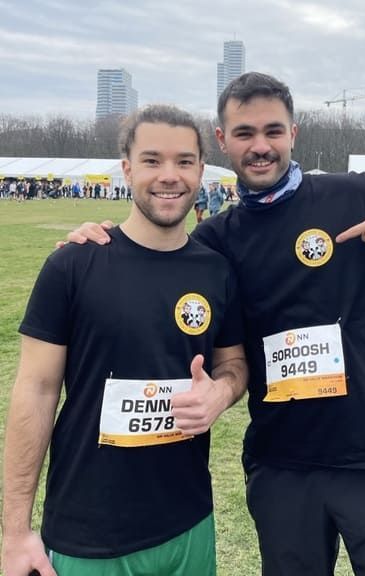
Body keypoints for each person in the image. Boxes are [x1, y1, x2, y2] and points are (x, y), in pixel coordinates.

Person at [56, 72, 365, 576]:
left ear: (293, 134)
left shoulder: (353, 195)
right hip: (283, 466)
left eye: (273, 131)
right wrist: (102, 237)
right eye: (244, 134)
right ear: (221, 141)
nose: (261, 146)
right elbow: (156, 262)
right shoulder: (215, 240)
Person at [1, 104, 248, 576]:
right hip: (87, 534)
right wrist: (14, 532)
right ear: (128, 168)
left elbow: (233, 363)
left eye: (183, 161)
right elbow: (34, 391)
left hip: (188, 524)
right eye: (152, 161)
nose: (169, 176)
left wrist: (221, 390)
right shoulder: (74, 265)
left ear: (201, 169)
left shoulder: (216, 270)